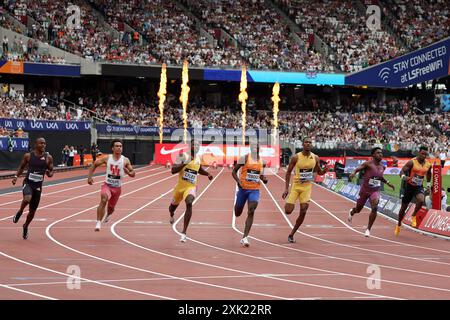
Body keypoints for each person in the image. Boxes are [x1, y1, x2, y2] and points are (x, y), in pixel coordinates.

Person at [282, 137, 328, 243]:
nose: (308, 144)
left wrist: (324, 171)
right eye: (306, 142)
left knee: (303, 211)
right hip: (296, 187)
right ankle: (289, 202)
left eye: (310, 142)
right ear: (303, 144)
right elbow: (288, 172)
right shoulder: (296, 157)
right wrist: (286, 189)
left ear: (311, 145)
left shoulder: (315, 158)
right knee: (288, 211)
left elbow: (319, 172)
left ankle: (292, 234)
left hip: (306, 187)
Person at [169, 140, 213, 243]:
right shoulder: (182, 156)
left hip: (191, 187)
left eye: (198, 145)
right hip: (180, 188)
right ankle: (171, 214)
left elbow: (199, 169)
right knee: (171, 208)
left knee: (189, 203)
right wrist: (184, 164)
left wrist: (207, 174)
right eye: (195, 144)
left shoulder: (198, 158)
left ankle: (184, 233)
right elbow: (173, 170)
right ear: (190, 146)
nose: (197, 146)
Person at [87, 139, 135, 231]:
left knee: (111, 208)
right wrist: (89, 177)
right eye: (117, 146)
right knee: (104, 199)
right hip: (107, 185)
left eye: (120, 146)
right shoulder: (107, 158)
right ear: (112, 148)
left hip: (117, 188)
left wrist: (128, 172)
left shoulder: (125, 160)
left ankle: (108, 214)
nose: (119, 148)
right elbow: (94, 165)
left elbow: (133, 174)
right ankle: (98, 222)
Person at [12, 137, 54, 239]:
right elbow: (22, 167)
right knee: (27, 198)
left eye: (44, 143)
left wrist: (49, 174)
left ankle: (25, 226)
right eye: (41, 143)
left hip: (38, 186)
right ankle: (20, 211)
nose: (43, 145)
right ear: (36, 144)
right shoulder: (28, 156)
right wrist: (16, 177)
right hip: (28, 183)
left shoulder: (48, 158)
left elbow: (51, 171)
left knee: (32, 212)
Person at [347, 147, 395, 237]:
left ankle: (368, 229)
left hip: (375, 191)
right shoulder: (368, 164)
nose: (380, 154)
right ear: (373, 155)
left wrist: (388, 183)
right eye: (378, 153)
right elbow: (357, 169)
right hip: (364, 191)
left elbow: (379, 177)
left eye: (381, 153)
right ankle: (352, 212)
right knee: (358, 209)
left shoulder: (382, 167)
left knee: (375, 207)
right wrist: (353, 173)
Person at [232, 142, 268, 247]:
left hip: (254, 189)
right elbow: (234, 172)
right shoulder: (244, 158)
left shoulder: (262, 161)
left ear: (259, 149)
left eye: (257, 147)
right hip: (243, 189)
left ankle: (245, 237)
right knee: (238, 213)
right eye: (253, 147)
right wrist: (238, 181)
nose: (255, 148)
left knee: (251, 210)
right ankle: (237, 206)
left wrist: (264, 179)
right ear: (250, 148)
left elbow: (260, 175)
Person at [395, 146, 432, 235]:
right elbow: (401, 172)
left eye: (425, 154)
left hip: (418, 186)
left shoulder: (428, 164)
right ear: (419, 153)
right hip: (409, 187)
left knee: (421, 199)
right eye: (422, 153)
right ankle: (399, 224)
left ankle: (414, 215)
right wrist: (405, 177)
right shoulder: (412, 162)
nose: (424, 155)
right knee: (403, 208)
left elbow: (429, 174)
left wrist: (427, 185)